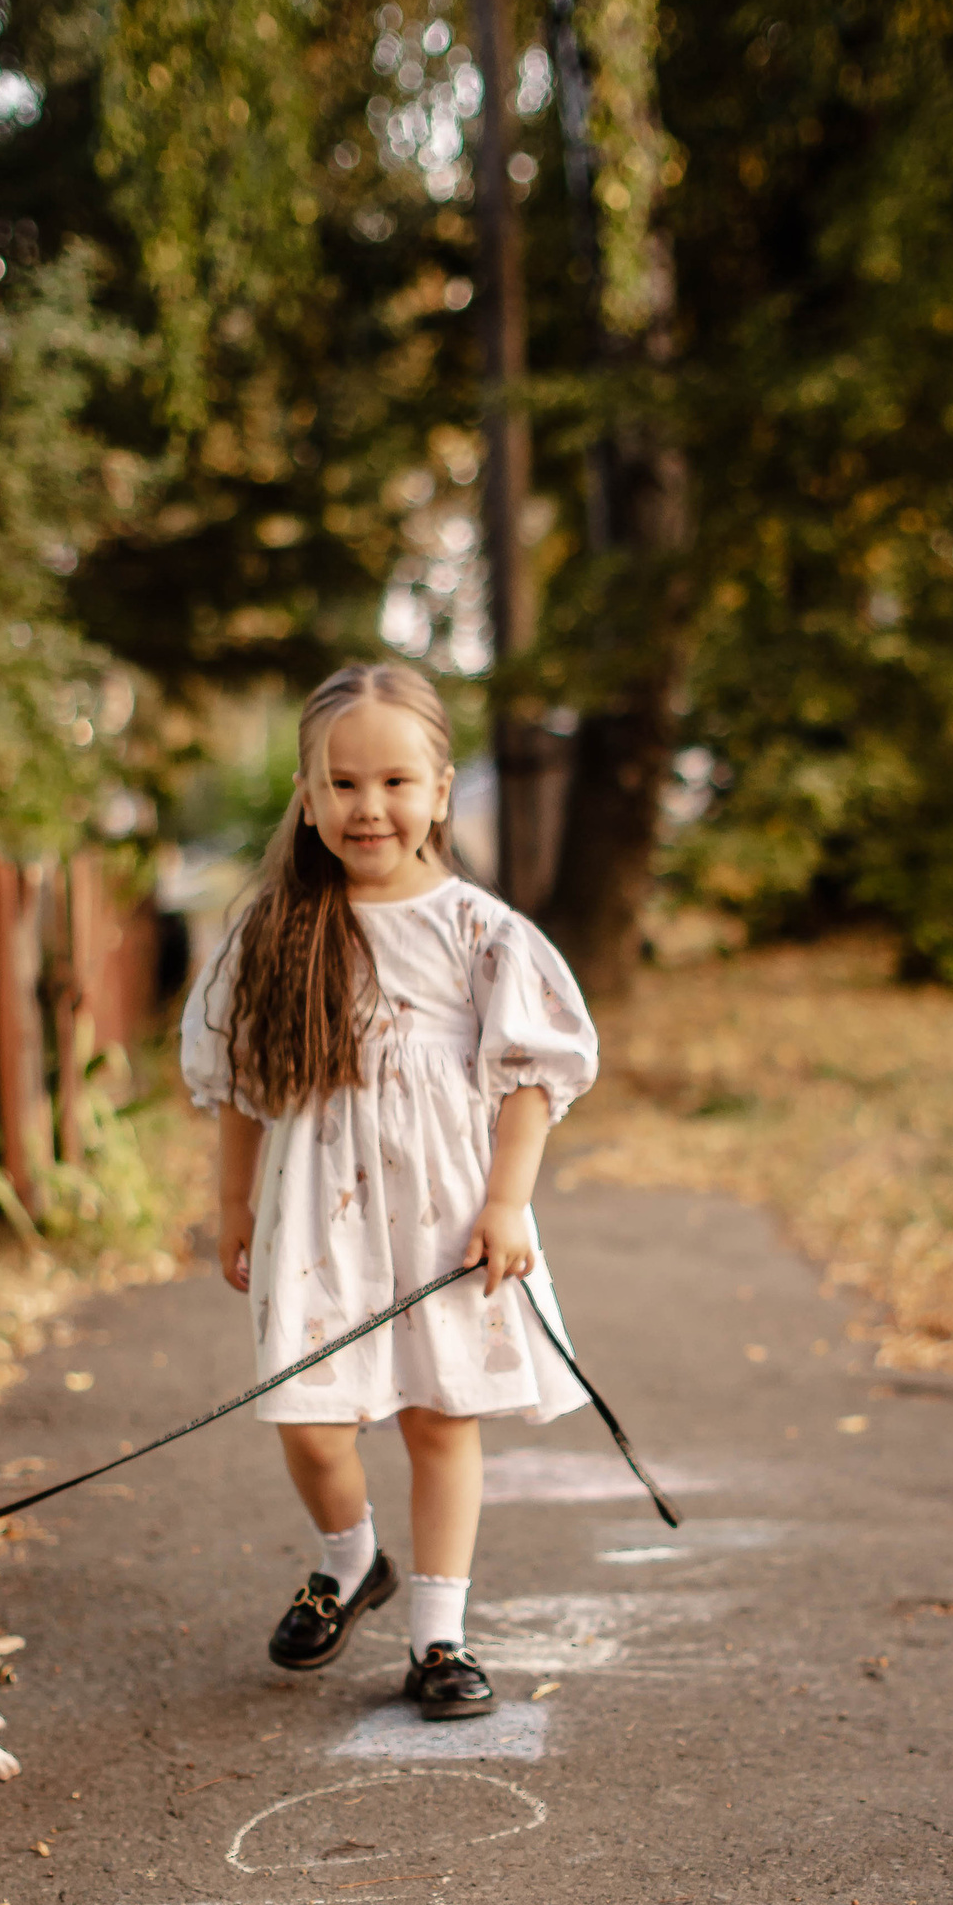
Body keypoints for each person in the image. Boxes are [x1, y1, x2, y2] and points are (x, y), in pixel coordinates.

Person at [178, 661, 599, 1718]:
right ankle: (350, 1558)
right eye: (345, 784)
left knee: (438, 1418)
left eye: (396, 782)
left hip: (447, 1213)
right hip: (319, 1216)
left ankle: (438, 1638)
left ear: (441, 789)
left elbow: (531, 1080)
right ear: (308, 796)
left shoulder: (481, 931)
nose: (371, 807)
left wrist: (507, 1203)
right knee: (312, 1416)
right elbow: (238, 1080)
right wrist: (233, 1204)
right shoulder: (274, 931)